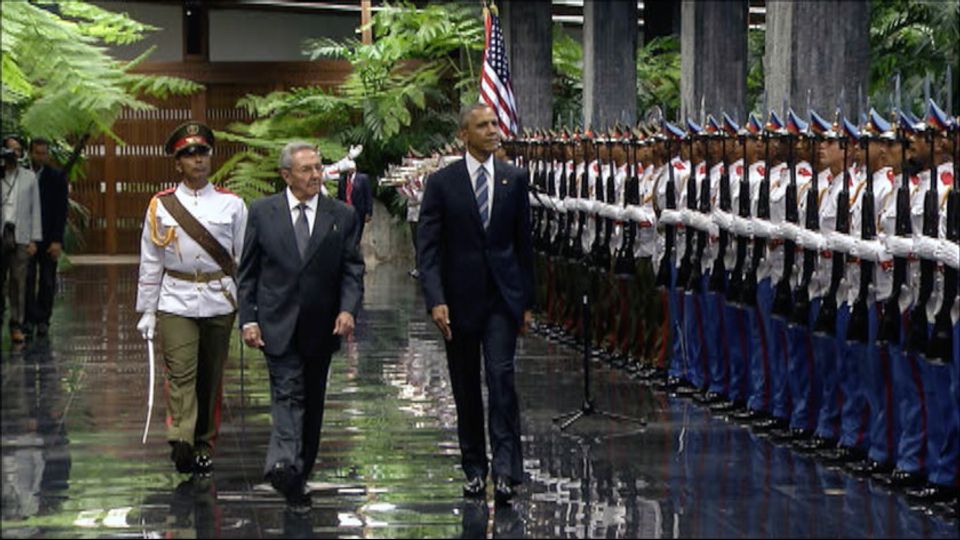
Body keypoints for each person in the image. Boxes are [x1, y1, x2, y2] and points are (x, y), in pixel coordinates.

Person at [417, 103, 535, 504]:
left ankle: (506, 470)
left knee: (501, 381)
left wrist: (526, 302)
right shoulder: (442, 183)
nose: (492, 131)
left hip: (502, 300)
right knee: (466, 386)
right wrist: (435, 299)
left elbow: (524, 245)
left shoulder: (513, 179)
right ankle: (474, 468)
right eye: (483, 125)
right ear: (464, 135)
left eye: (494, 124)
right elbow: (428, 249)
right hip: (459, 300)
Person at [237, 141, 364, 514]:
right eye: (306, 169)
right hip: (277, 324)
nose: (315, 175)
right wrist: (249, 318)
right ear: (286, 175)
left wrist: (348, 310)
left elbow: (352, 269)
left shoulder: (340, 214)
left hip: (322, 327)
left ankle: (297, 475)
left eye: (318, 167)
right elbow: (248, 272)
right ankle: (282, 465)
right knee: (287, 395)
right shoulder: (262, 212)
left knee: (312, 405)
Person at [135, 121, 248, 477]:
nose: (197, 160)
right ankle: (181, 438)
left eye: (202, 153)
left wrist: (250, 309)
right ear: (177, 163)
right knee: (181, 370)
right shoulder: (161, 205)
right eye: (189, 154)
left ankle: (203, 443)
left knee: (211, 376)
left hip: (219, 299)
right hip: (176, 300)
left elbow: (244, 259)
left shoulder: (232, 205)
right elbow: (151, 259)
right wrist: (147, 311)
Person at [23, 138, 69, 339]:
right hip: (26, 237)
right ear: (30, 153)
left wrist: (57, 240)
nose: (41, 156)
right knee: (27, 279)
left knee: (48, 281)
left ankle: (43, 320)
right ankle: (29, 318)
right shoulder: (22, 176)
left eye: (44, 153)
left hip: (49, 236)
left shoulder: (56, 177)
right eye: (37, 153)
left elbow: (61, 210)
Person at [2, 134, 42, 345]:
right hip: (2, 233)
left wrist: (34, 239)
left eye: (17, 150)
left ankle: (16, 325)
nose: (13, 154)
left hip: (21, 235)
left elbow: (35, 210)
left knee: (18, 282)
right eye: (10, 149)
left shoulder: (29, 177)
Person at [334, 146, 372, 244]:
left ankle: (355, 250)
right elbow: (339, 196)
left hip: (359, 211)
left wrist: (369, 212)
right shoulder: (342, 180)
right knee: (347, 233)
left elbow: (368, 195)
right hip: (346, 209)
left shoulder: (363, 179)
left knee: (357, 234)